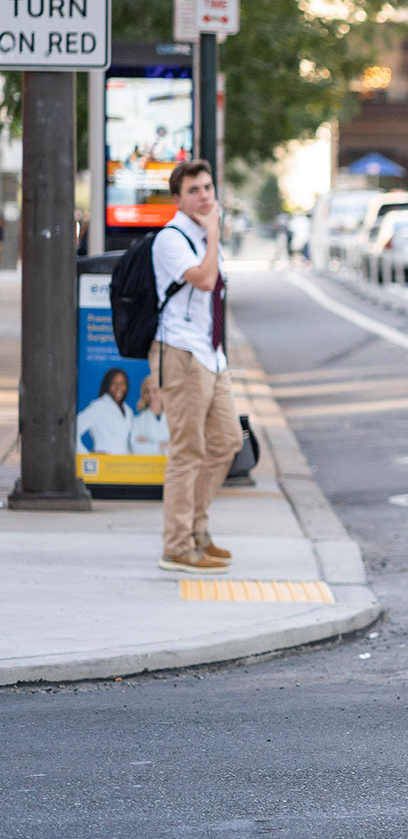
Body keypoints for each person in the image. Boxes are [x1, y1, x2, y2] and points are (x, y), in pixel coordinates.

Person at [151, 160, 243, 575]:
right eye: (194, 190)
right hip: (183, 354)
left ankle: (198, 533)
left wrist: (210, 235)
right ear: (178, 199)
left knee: (226, 442)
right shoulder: (171, 239)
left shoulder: (205, 236)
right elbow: (205, 281)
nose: (204, 196)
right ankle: (176, 545)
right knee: (187, 452)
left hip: (211, 354)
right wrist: (212, 233)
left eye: (207, 188)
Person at [75, 368, 135, 455]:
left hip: (124, 465)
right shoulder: (98, 407)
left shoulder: (129, 411)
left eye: (122, 383)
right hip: (104, 464)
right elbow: (73, 429)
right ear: (107, 385)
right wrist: (87, 457)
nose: (119, 387)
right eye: (114, 383)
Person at [129, 374, 170, 455]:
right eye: (147, 391)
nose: (151, 395)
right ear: (143, 395)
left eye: (155, 390)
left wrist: (149, 443)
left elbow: (181, 447)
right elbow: (136, 449)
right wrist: (163, 445)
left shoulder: (175, 418)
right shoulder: (138, 421)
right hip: (148, 466)